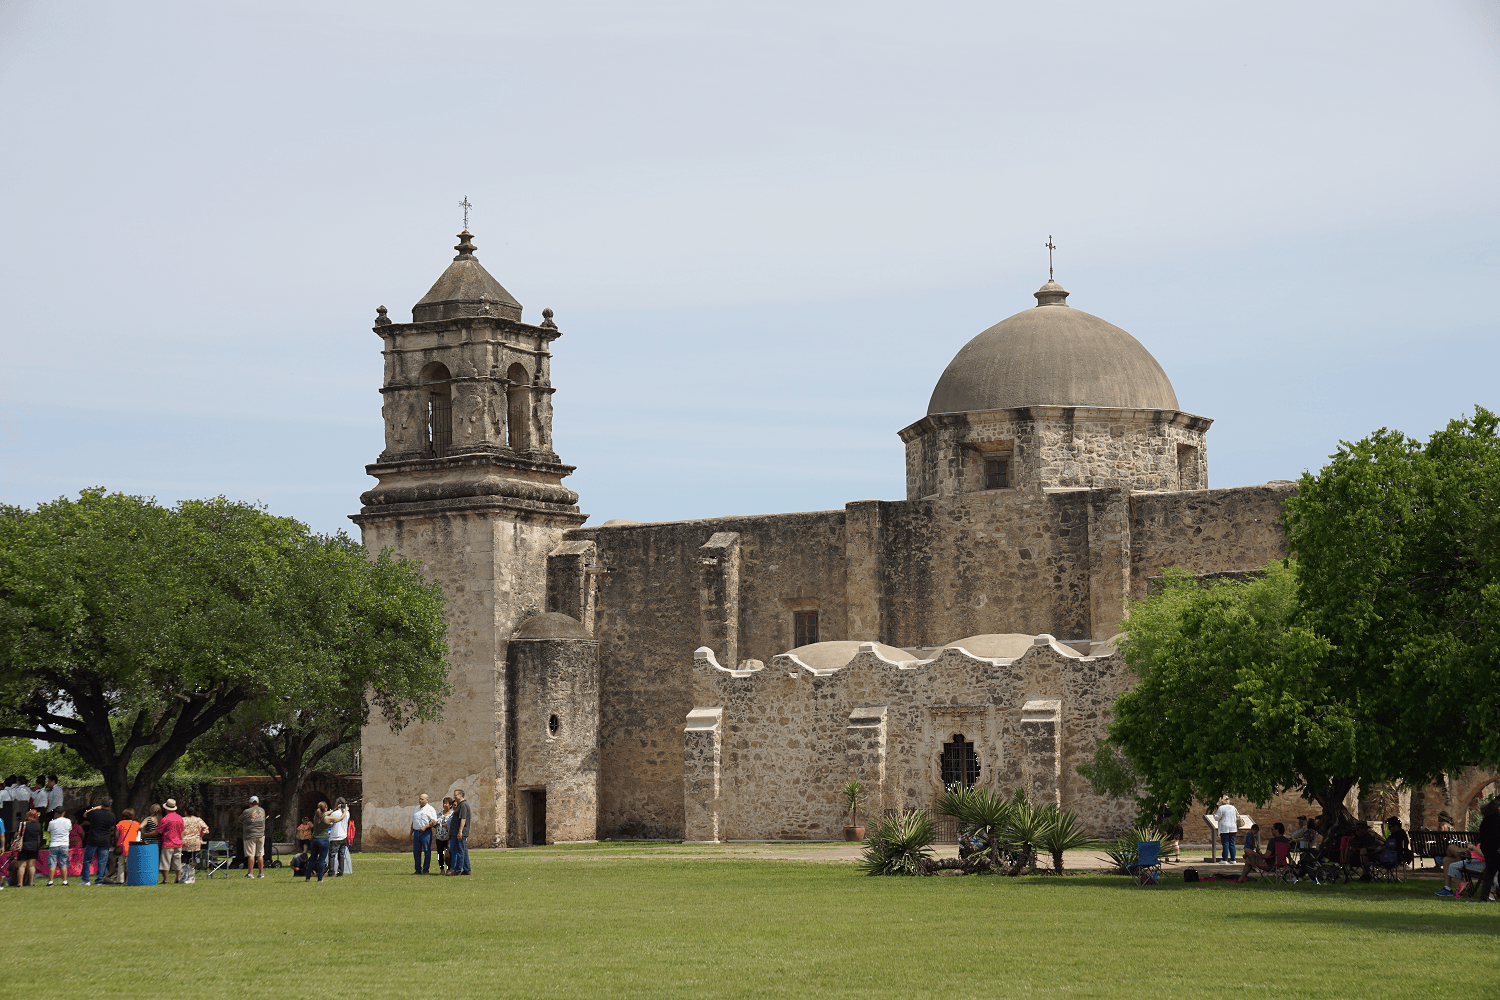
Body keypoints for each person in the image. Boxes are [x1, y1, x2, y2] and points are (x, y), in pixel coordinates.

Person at [80, 796, 116, 886]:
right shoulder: (112, 816)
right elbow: (111, 826)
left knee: (87, 860)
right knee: (102, 861)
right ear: (110, 805)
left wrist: (95, 808)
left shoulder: (95, 813)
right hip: (105, 841)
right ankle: (99, 880)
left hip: (93, 839)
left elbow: (85, 815)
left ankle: (86, 880)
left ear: (102, 804)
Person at [156, 798, 185, 884]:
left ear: (166, 808)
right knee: (177, 862)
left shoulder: (165, 819)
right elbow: (182, 831)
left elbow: (158, 831)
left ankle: (166, 879)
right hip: (178, 842)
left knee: (165, 862)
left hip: (168, 843)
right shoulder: (180, 818)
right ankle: (178, 878)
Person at [1477, 798, 1500, 902]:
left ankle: (1484, 897)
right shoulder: (1496, 819)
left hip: (1488, 849)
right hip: (1494, 849)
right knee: (1491, 872)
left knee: (1490, 873)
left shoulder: (1486, 819)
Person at [240, 795, 267, 879]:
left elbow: (240, 819)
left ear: (250, 803)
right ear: (258, 802)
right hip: (261, 835)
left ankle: (250, 874)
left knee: (251, 854)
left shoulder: (246, 811)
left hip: (250, 836)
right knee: (260, 854)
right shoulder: (262, 810)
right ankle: (261, 873)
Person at [180, 806, 209, 884]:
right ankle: (191, 878)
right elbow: (206, 829)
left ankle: (183, 877)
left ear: (186, 812)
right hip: (195, 841)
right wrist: (200, 836)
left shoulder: (183, 819)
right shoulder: (198, 820)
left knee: (184, 859)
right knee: (192, 859)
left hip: (184, 841)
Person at [14, 809, 43, 886]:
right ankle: (31, 883)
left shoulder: (23, 824)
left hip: (24, 846)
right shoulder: (38, 825)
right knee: (32, 865)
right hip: (34, 847)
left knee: (22, 865)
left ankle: (20, 883)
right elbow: (39, 835)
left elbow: (17, 835)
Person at [411, 793, 437, 874]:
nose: (420, 800)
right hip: (416, 832)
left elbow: (434, 822)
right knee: (416, 852)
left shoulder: (430, 809)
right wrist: (410, 833)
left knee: (426, 850)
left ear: (427, 800)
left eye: (422, 799)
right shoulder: (416, 809)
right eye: (419, 799)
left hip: (426, 833)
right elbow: (413, 822)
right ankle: (417, 870)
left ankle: (426, 869)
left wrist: (426, 826)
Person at [112, 807, 140, 882]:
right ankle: (129, 879)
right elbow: (138, 835)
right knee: (130, 864)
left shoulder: (120, 823)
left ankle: (120, 880)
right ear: (133, 815)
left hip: (122, 845)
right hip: (132, 846)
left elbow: (117, 835)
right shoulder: (136, 824)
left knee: (121, 863)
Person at [306, 801, 332, 882]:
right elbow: (335, 820)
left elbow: (325, 813)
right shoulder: (325, 818)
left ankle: (307, 878)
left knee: (312, 859)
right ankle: (320, 879)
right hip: (323, 839)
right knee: (321, 860)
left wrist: (333, 810)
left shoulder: (316, 816)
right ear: (325, 808)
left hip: (314, 839)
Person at [45, 808, 71, 886]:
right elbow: (69, 830)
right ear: (64, 813)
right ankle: (65, 881)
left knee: (52, 864)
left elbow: (49, 831)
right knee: (64, 864)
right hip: (64, 844)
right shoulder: (68, 821)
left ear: (56, 814)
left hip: (54, 844)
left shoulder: (52, 822)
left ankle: (50, 882)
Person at [448, 788, 472, 876]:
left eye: (456, 795)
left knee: (460, 851)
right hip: (455, 832)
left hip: (459, 833)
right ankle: (467, 869)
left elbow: (463, 819)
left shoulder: (463, 805)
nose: (454, 796)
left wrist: (460, 831)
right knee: (464, 851)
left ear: (461, 795)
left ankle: (457, 871)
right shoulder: (459, 805)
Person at [326, 797, 352, 877]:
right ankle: (340, 872)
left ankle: (331, 872)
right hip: (343, 836)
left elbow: (331, 824)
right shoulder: (347, 813)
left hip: (335, 837)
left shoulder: (334, 813)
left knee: (332, 855)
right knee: (341, 855)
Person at [1211, 796, 1240, 863]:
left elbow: (1217, 818)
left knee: (1225, 843)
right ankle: (1233, 859)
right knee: (1232, 843)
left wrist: (1214, 815)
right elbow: (1238, 816)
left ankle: (1225, 859)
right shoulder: (1233, 807)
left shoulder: (1221, 808)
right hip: (1233, 827)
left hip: (1224, 828)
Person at [434, 797, 453, 874]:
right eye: (444, 803)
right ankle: (442, 869)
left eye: (446, 803)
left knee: (448, 854)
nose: (444, 805)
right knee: (440, 853)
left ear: (450, 805)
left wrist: (448, 826)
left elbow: (454, 825)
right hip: (439, 837)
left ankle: (449, 868)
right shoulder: (438, 814)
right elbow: (435, 823)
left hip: (448, 837)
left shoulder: (453, 814)